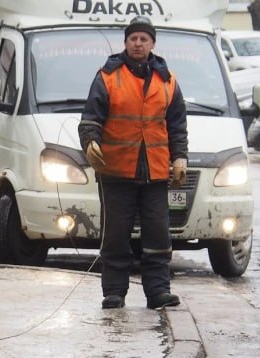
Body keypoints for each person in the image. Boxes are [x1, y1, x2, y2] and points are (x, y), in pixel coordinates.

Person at [78, 16, 188, 310]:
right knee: (115, 236)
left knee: (158, 236)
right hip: (116, 172)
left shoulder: (167, 80)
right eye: (133, 39)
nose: (138, 43)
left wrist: (180, 156)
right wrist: (90, 142)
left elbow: (177, 125)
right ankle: (114, 292)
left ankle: (158, 292)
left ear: (152, 43)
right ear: (125, 42)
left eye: (143, 39)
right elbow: (90, 119)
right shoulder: (108, 76)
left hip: (155, 172)